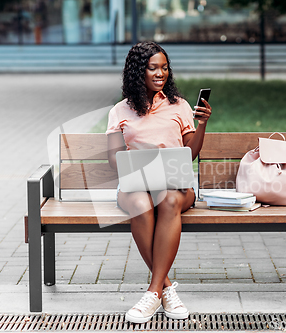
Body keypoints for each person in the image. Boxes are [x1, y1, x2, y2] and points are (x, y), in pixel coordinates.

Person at [106, 41, 212, 323]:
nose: (160, 73)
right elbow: (114, 159)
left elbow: (190, 153)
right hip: (135, 186)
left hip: (175, 187)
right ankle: (165, 289)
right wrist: (141, 165)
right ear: (138, 71)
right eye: (153, 67)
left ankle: (152, 292)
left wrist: (201, 124)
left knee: (167, 198)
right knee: (142, 202)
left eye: (164, 67)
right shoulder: (120, 111)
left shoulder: (179, 106)